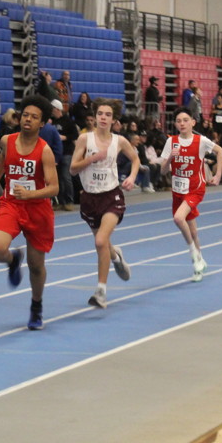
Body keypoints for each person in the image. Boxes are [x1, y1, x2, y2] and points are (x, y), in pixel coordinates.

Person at [0, 95, 59, 330]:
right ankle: (13, 259)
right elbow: (2, 158)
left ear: (42, 123)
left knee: (36, 265)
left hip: (37, 209)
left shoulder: (44, 151)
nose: (28, 119)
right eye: (25, 115)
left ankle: (36, 306)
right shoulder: (7, 140)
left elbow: (54, 188)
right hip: (11, 204)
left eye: (34, 117)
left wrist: (31, 194)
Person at [70, 98, 138, 309]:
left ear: (113, 119)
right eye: (100, 113)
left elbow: (135, 159)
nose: (103, 117)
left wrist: (132, 177)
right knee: (105, 244)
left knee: (100, 241)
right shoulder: (84, 139)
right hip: (90, 198)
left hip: (111, 196)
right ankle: (117, 257)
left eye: (108, 115)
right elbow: (73, 169)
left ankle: (100, 291)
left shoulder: (120, 141)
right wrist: (91, 159)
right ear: (95, 116)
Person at [156, 108, 222, 282]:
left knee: (179, 218)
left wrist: (218, 175)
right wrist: (170, 158)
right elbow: (163, 171)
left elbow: (220, 151)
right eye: (179, 121)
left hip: (195, 189)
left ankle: (193, 253)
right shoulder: (171, 142)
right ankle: (199, 264)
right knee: (192, 231)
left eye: (186, 120)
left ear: (193, 122)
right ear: (175, 124)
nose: (182, 123)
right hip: (178, 191)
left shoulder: (201, 141)